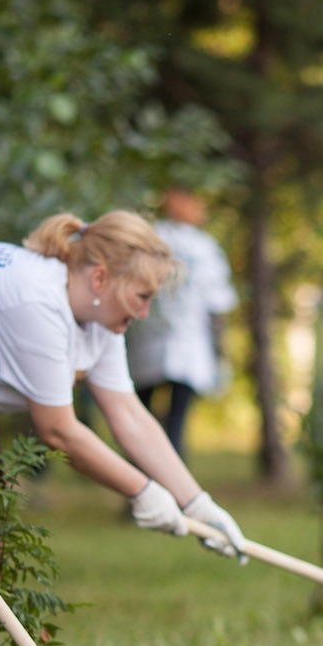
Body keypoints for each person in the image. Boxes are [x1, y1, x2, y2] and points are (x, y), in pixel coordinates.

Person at [0, 211, 250, 561]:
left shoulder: (100, 315)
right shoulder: (37, 299)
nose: (145, 312)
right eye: (143, 296)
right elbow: (58, 431)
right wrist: (143, 491)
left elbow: (129, 414)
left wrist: (197, 504)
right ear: (101, 278)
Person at [125, 187, 238, 461]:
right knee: (175, 423)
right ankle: (173, 490)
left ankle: (138, 489)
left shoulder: (150, 238)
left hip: (146, 341)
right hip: (189, 346)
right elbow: (218, 306)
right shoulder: (206, 247)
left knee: (139, 421)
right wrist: (221, 354)